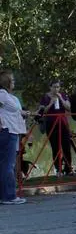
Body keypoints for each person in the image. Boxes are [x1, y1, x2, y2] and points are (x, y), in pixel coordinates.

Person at [0, 69, 28, 205]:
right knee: (8, 164)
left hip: (13, 131)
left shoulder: (11, 97)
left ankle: (4, 194)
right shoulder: (2, 95)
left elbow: (16, 111)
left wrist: (27, 113)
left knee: (5, 164)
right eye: (12, 80)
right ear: (7, 82)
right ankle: (9, 195)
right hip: (7, 130)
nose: (14, 82)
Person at [37, 79, 73, 175]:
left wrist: (61, 98)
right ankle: (58, 169)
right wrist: (51, 103)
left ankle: (68, 169)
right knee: (55, 148)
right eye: (54, 87)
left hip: (63, 124)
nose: (56, 89)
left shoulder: (63, 95)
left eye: (58, 87)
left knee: (66, 147)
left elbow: (69, 108)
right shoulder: (45, 97)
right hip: (51, 124)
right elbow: (43, 111)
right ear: (50, 87)